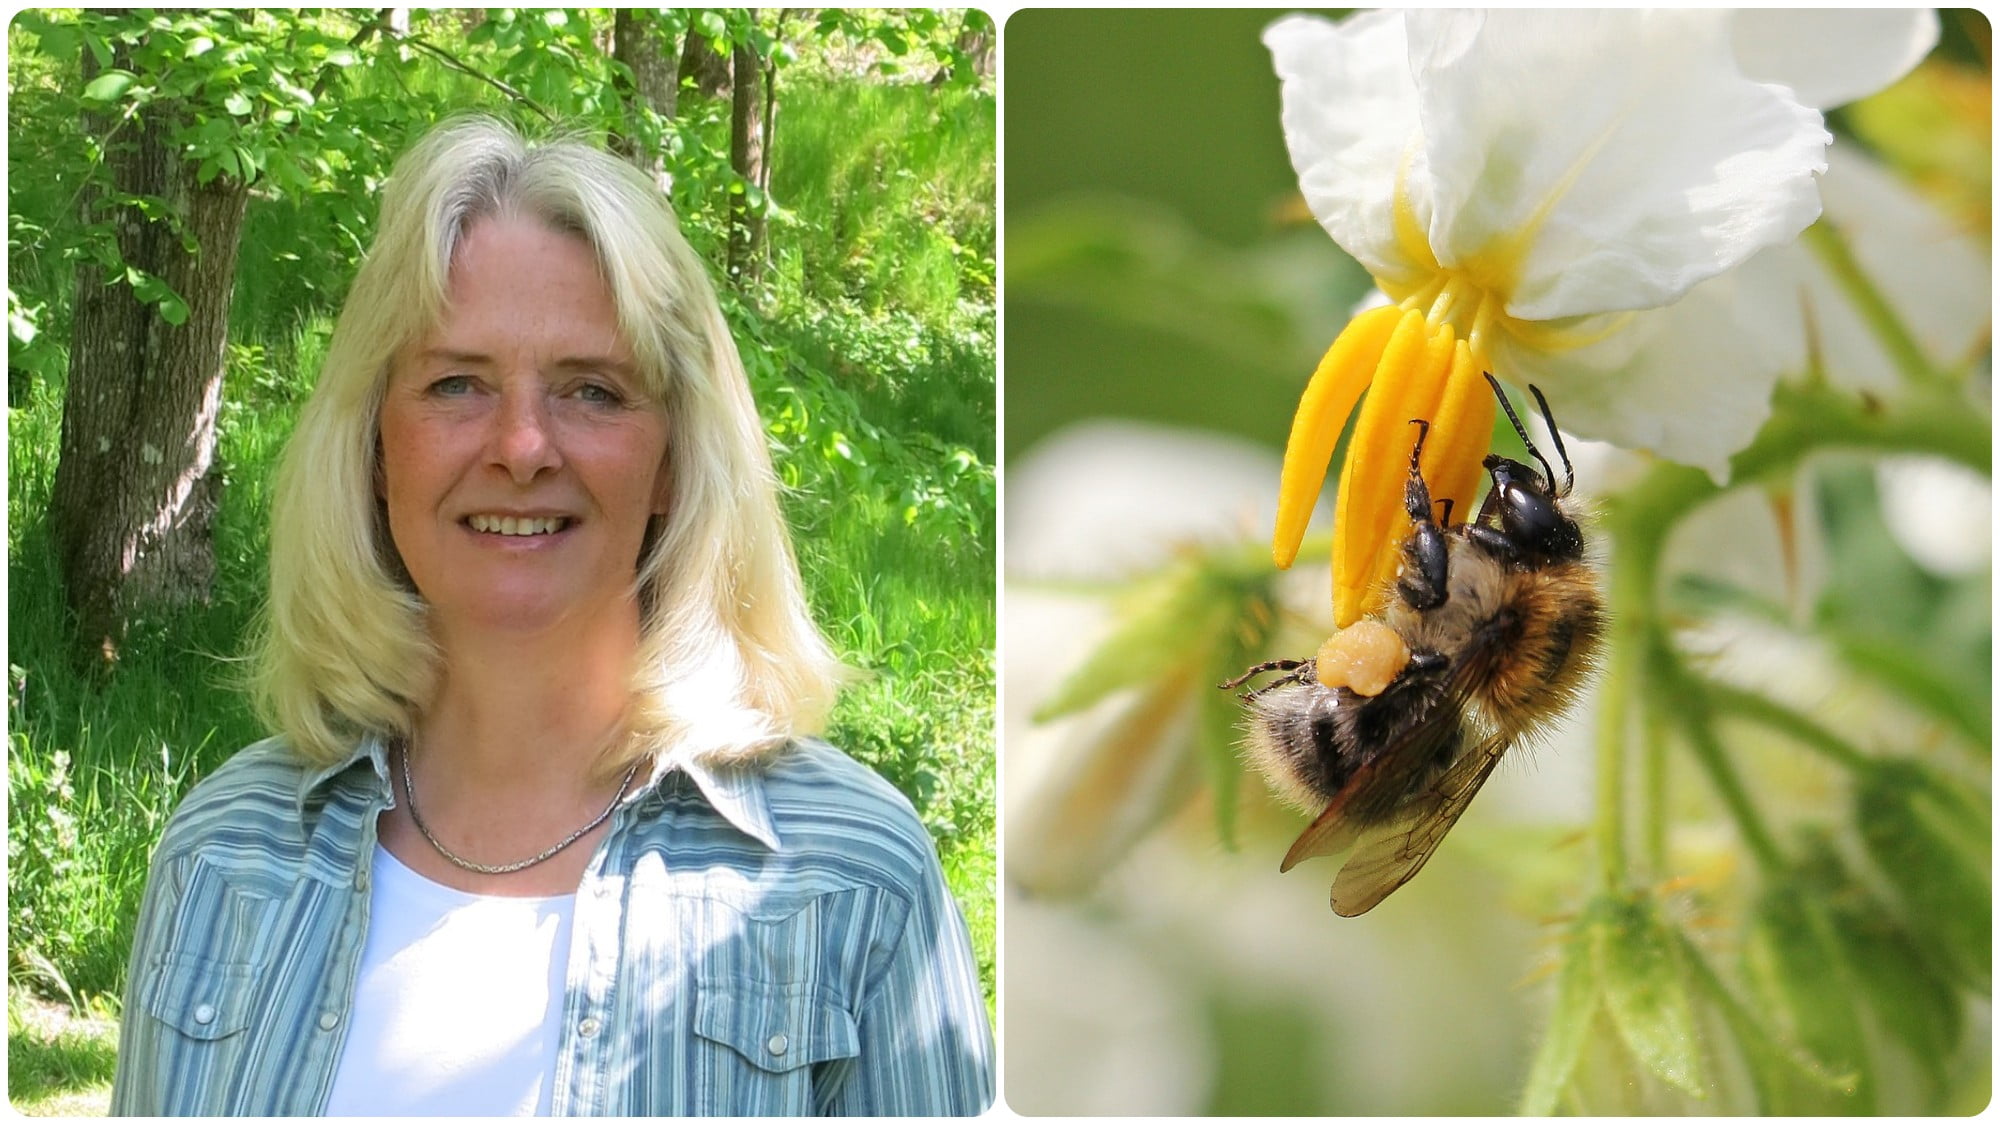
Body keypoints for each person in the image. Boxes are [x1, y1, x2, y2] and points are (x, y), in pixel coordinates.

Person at [108, 116, 994, 1116]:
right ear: (373, 447)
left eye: (591, 391)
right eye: (456, 384)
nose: (522, 446)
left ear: (673, 460)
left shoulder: (848, 875)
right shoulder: (227, 851)